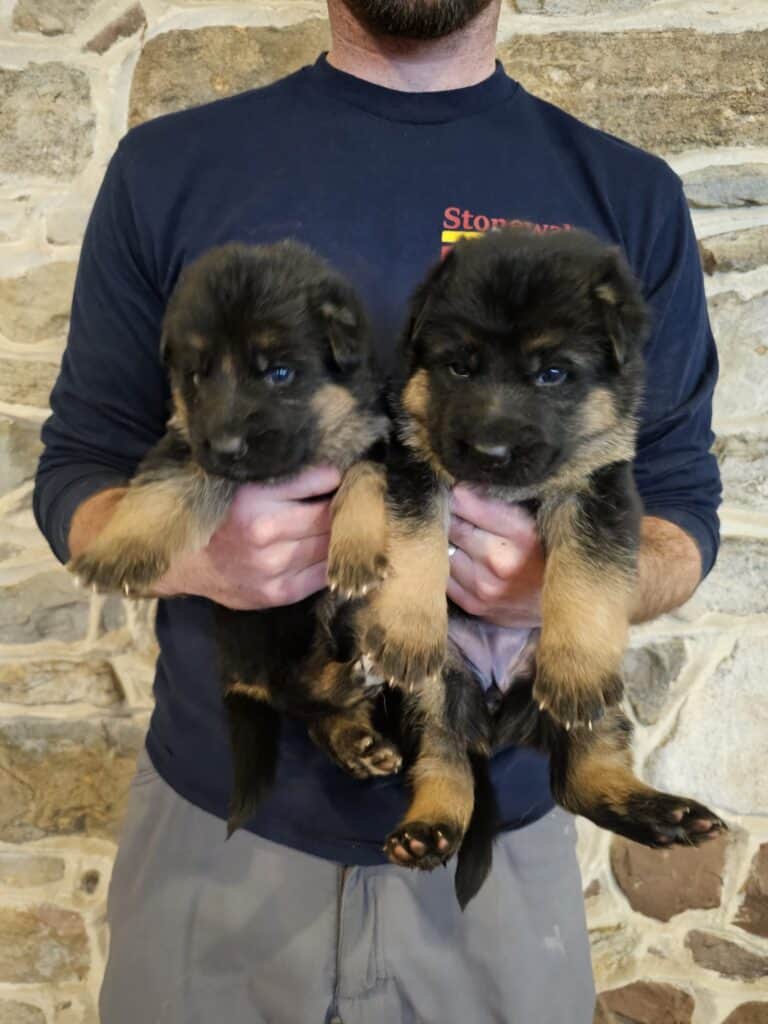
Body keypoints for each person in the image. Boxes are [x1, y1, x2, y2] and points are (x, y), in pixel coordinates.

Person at [34, 1, 720, 1021]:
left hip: (498, 848)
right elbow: (79, 466)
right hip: (217, 833)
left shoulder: (627, 195)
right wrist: (193, 557)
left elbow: (678, 506)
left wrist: (565, 589)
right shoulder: (167, 166)